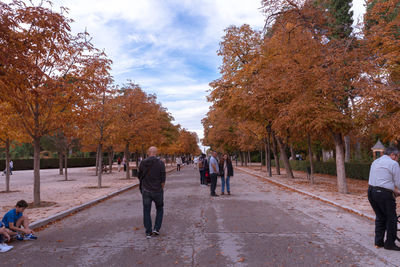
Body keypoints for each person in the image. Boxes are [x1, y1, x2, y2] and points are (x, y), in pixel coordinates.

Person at [368, 146, 400, 251]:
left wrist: (392, 190)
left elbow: (380, 181)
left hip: (371, 192)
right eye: (397, 156)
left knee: (380, 217)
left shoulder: (376, 162)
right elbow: (398, 182)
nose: (398, 158)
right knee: (392, 219)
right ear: (392, 155)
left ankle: (378, 242)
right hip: (384, 195)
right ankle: (390, 244)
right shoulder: (393, 164)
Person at [138, 146, 166, 239]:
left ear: (148, 152)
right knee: (160, 209)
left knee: (146, 210)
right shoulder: (161, 163)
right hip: (157, 190)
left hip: (146, 190)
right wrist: (160, 188)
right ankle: (156, 228)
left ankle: (148, 232)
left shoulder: (143, 163)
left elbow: (139, 176)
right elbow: (163, 178)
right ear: (156, 153)